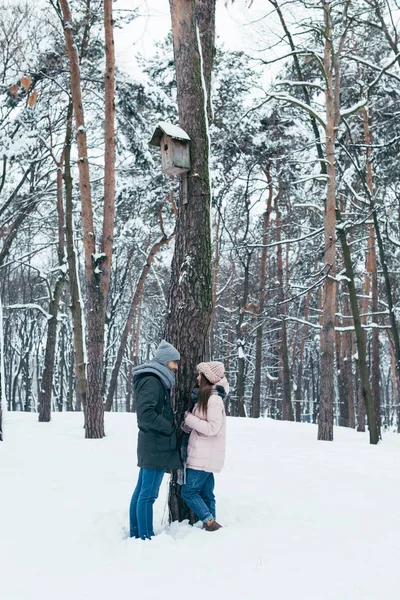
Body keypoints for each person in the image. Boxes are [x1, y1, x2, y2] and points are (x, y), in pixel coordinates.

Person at [129, 340, 182, 540]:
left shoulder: (154, 379)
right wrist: (168, 427)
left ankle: (137, 534)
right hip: (155, 444)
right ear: (165, 361)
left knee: (142, 491)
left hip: (152, 443)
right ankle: (145, 537)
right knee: (148, 495)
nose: (176, 367)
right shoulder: (152, 380)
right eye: (174, 363)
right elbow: (145, 413)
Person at [181, 361, 229, 532]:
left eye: (201, 374)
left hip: (203, 455)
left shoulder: (213, 399)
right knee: (207, 494)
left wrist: (189, 419)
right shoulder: (205, 396)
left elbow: (212, 428)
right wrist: (188, 425)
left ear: (209, 378)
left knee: (188, 492)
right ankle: (212, 529)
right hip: (204, 453)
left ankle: (209, 522)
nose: (197, 377)